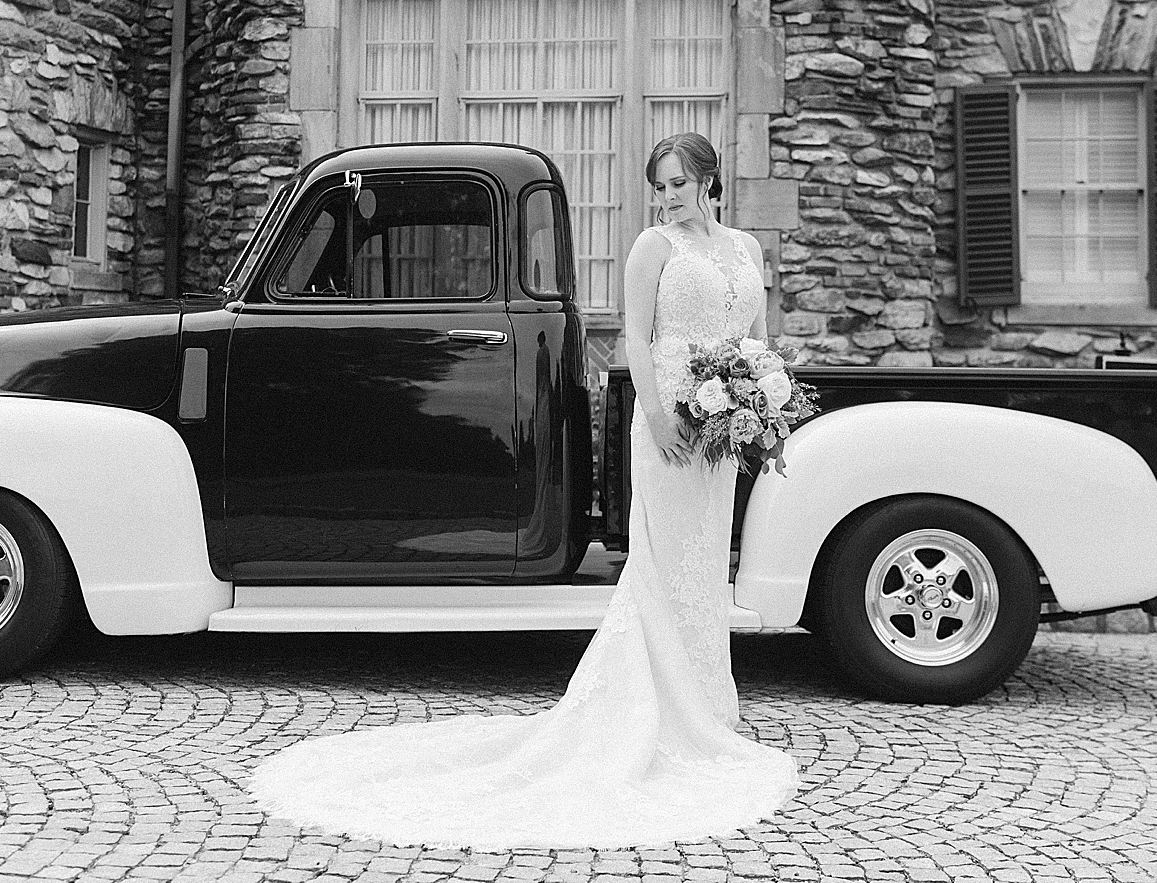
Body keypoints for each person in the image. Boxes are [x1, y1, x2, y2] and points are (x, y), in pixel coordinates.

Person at [248, 132, 800, 848]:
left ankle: (704, 705)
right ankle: (659, 711)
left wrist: (758, 396)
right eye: (658, 184)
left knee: (702, 564)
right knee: (664, 566)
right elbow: (638, 338)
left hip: (720, 428)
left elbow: (756, 333)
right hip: (671, 421)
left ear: (709, 182)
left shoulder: (745, 250)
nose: (667, 197)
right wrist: (658, 416)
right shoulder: (651, 248)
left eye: (678, 184)